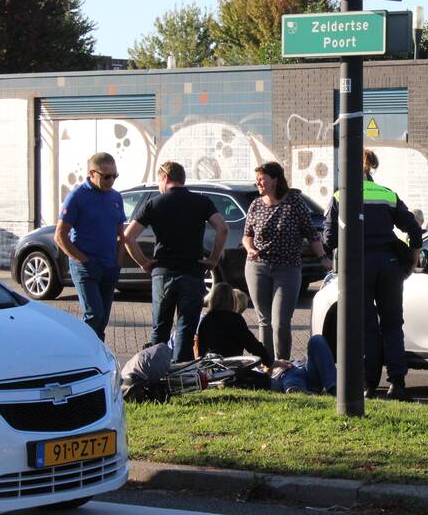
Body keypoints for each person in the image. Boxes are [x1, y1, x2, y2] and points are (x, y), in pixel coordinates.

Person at [323, 149, 423, 400]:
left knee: (367, 326)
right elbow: (414, 229)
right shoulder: (387, 194)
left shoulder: (340, 196)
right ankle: (397, 383)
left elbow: (329, 239)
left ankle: (368, 384)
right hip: (389, 265)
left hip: (359, 267)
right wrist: (412, 257)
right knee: (393, 325)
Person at [123, 161, 228, 362]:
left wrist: (144, 262)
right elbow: (222, 228)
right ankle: (181, 372)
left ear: (165, 177)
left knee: (160, 327)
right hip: (192, 272)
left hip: (163, 273)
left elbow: (128, 236)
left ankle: (157, 369)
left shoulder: (153, 204)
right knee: (186, 328)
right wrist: (213, 259)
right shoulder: (202, 202)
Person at [244, 161, 332, 361]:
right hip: (258, 266)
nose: (258, 182)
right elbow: (247, 235)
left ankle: (282, 363)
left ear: (275, 180)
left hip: (287, 268)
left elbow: (311, 234)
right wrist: (250, 249)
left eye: (262, 179)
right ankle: (267, 364)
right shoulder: (256, 204)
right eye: (257, 179)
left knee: (281, 321)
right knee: (264, 320)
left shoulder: (294, 203)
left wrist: (323, 258)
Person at [55, 152, 128, 340]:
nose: (111, 181)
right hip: (86, 268)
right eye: (106, 176)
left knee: (102, 319)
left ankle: (98, 352)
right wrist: (83, 260)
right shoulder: (77, 196)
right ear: (92, 173)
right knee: (94, 315)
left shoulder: (116, 198)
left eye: (115, 176)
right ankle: (83, 350)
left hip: (109, 267)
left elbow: (121, 235)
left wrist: (118, 264)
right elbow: (60, 235)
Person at [195, 282, 273, 389]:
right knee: (265, 380)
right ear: (232, 300)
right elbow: (252, 344)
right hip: (231, 366)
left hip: (211, 369)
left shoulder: (206, 320)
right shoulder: (235, 319)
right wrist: (268, 361)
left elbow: (201, 349)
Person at [270, 335, 337, 395]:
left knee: (316, 339)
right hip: (284, 375)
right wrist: (277, 363)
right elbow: (266, 369)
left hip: (305, 370)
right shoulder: (267, 368)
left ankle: (334, 388)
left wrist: (306, 360)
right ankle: (296, 389)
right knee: (291, 381)